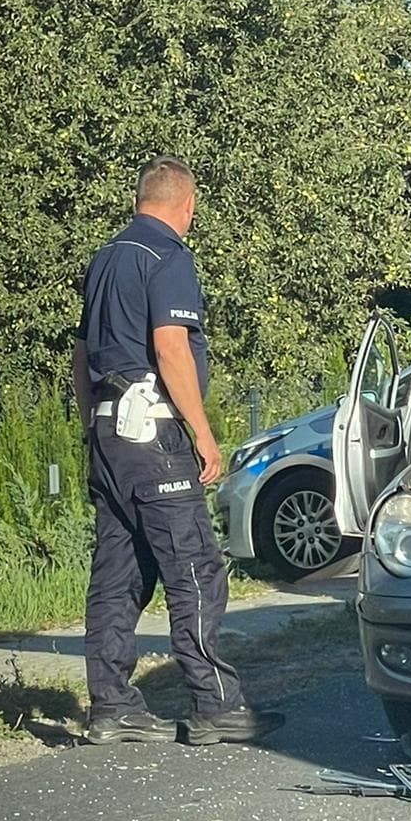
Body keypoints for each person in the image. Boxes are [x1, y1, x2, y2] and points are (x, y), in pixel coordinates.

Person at [73, 156, 283, 747]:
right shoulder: (167, 256)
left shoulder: (106, 258)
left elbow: (81, 356)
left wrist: (94, 422)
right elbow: (171, 349)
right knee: (194, 567)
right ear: (185, 205)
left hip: (110, 432)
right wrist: (202, 431)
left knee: (119, 570)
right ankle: (217, 704)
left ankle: (111, 705)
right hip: (155, 433)